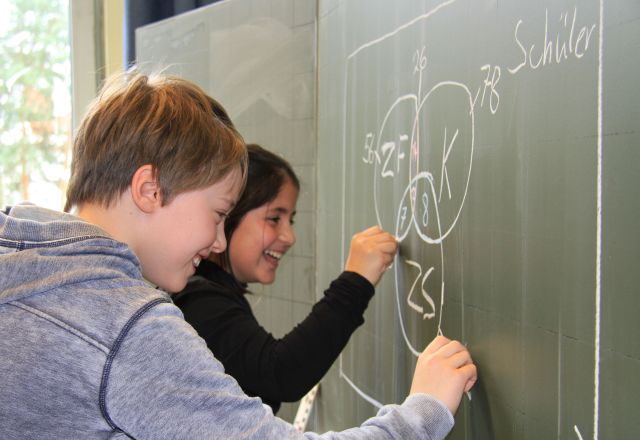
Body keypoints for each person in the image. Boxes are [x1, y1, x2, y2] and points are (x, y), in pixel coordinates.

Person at [0, 70, 476, 439]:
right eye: (218, 214)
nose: (219, 242)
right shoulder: (126, 328)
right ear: (149, 189)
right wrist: (425, 411)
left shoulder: (20, 264)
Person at [175, 144, 406, 414]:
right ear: (227, 217)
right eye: (274, 218)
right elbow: (281, 372)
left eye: (291, 221)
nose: (289, 237)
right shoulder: (199, 301)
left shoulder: (211, 292)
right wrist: (355, 281)